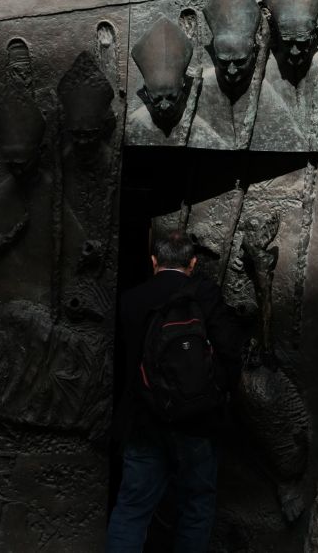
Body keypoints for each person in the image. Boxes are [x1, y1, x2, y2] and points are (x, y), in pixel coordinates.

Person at [107, 229, 245, 552]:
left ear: (154, 260)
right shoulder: (205, 295)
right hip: (198, 421)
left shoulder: (131, 299)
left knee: (132, 510)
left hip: (145, 420)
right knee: (196, 507)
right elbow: (230, 352)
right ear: (192, 263)